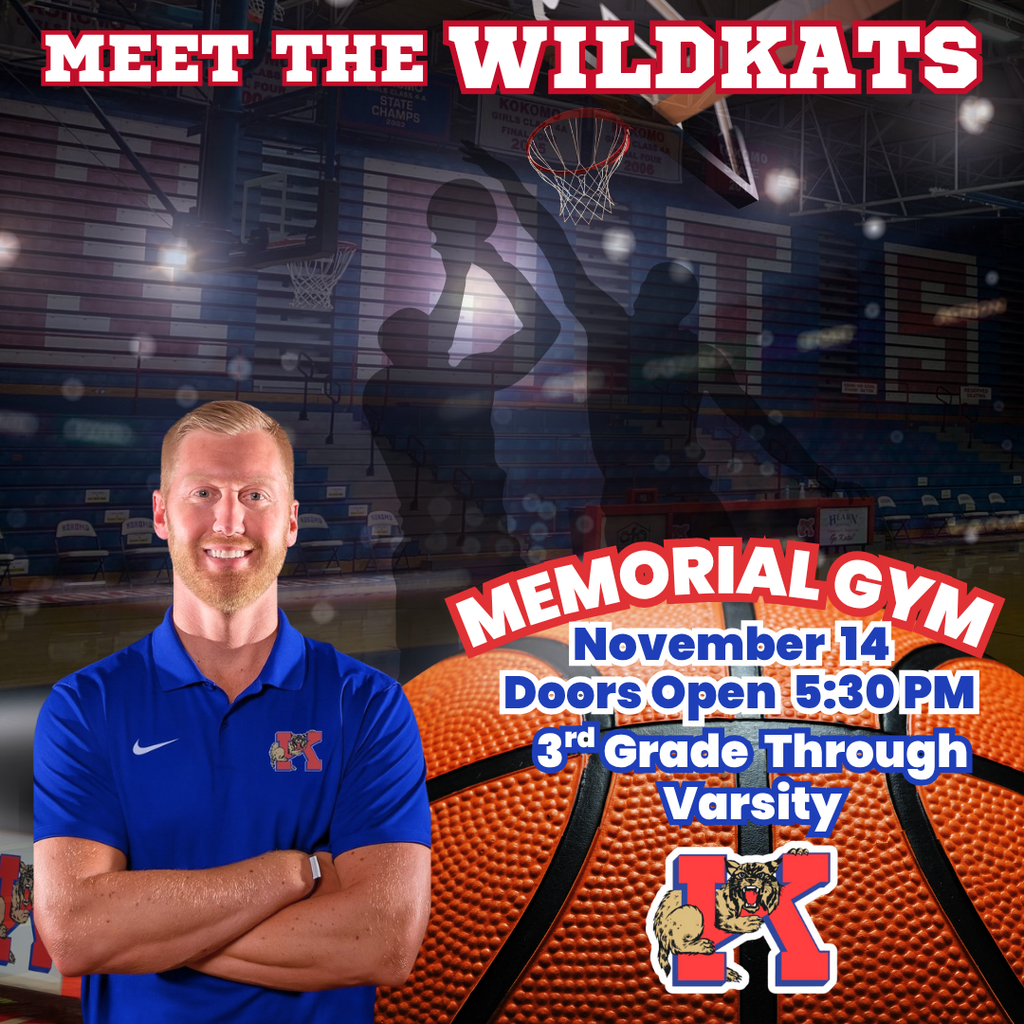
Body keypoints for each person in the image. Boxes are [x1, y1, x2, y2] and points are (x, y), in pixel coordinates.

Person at [32, 401, 431, 1023]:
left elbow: (382, 940)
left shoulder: (370, 706)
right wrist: (293, 873)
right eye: (203, 493)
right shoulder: (87, 707)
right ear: (162, 514)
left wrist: (148, 934)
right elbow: (77, 934)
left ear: (291, 520)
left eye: (254, 494)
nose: (228, 520)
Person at [463, 144, 840, 532]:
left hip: (670, 488)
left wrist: (817, 472)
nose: (647, 298)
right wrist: (508, 181)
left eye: (657, 293)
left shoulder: (653, 341)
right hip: (644, 491)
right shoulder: (630, 333)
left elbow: (759, 423)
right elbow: (554, 248)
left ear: (666, 303)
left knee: (714, 576)